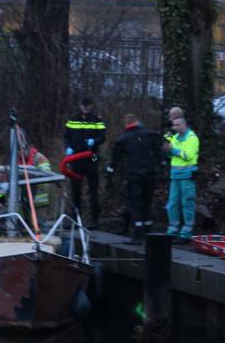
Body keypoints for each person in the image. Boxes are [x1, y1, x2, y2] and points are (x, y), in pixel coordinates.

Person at [106, 114, 162, 245]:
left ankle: (137, 235)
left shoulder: (122, 139)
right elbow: (159, 153)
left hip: (134, 175)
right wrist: (162, 168)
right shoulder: (150, 134)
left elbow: (115, 160)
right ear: (137, 122)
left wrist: (109, 175)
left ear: (126, 125)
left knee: (135, 204)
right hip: (150, 174)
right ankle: (148, 232)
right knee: (147, 202)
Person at [64, 97, 106, 228]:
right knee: (75, 188)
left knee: (93, 187)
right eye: (83, 105)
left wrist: (95, 141)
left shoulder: (97, 120)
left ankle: (95, 220)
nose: (85, 108)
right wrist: (67, 147)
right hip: (76, 157)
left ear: (92, 106)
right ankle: (76, 219)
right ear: (80, 105)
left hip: (92, 156)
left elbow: (103, 137)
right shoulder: (72, 119)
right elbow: (66, 136)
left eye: (87, 106)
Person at [164, 117, 199, 242]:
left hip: (187, 175)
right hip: (175, 174)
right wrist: (167, 150)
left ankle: (186, 232)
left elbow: (188, 155)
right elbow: (170, 155)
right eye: (173, 125)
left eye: (176, 125)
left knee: (187, 202)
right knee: (172, 203)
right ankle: (172, 230)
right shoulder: (175, 137)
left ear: (183, 125)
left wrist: (172, 150)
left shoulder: (192, 138)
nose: (174, 127)